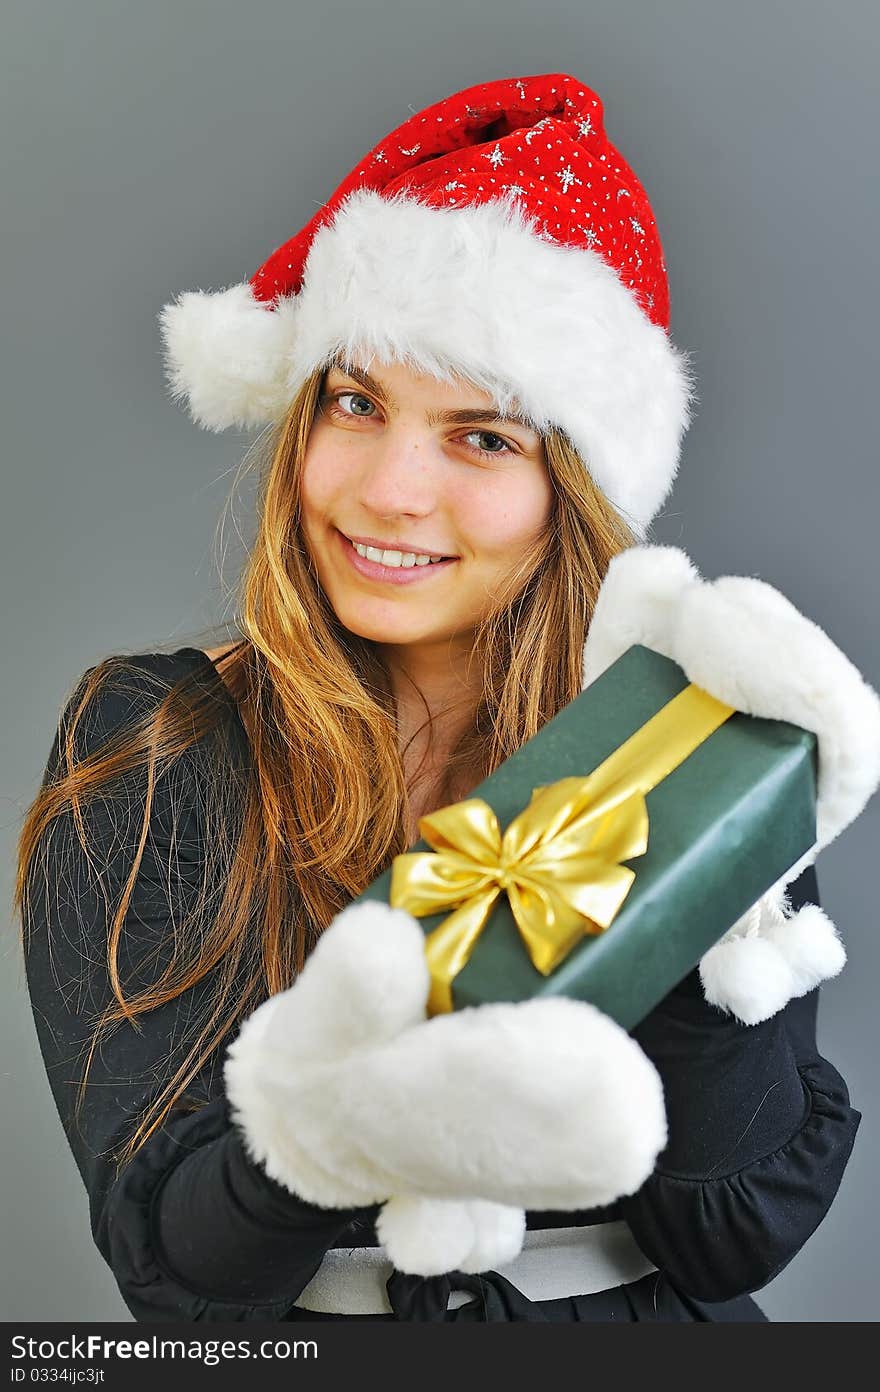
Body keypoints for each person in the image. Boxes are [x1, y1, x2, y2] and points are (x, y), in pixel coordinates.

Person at [15, 72, 875, 1323]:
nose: (387, 491)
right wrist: (352, 1110)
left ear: (572, 489)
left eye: (482, 438)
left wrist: (680, 831)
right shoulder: (156, 745)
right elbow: (177, 1271)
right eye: (355, 405)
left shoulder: (699, 726)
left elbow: (734, 1227)